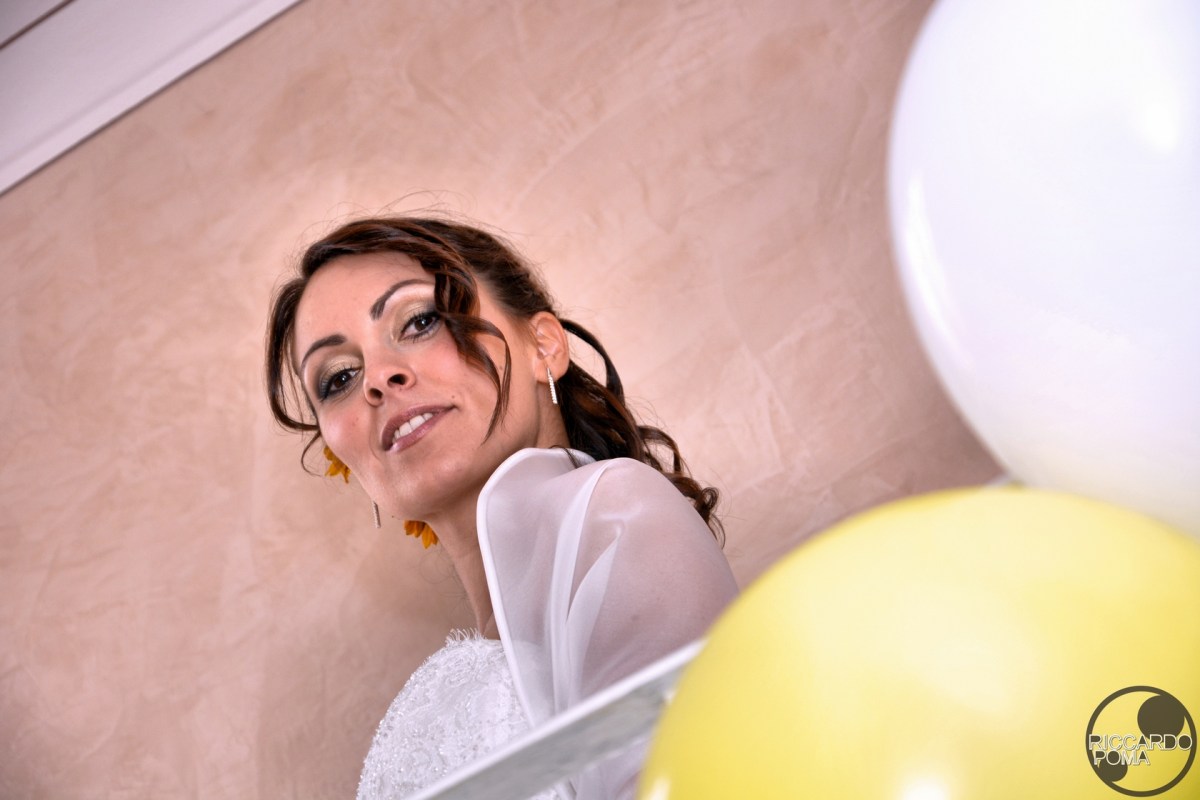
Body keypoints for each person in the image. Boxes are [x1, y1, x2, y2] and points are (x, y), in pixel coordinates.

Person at [265, 216, 739, 798]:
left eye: (419, 321)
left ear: (544, 347)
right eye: (338, 378)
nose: (377, 380)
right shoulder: (465, 666)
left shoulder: (617, 512)